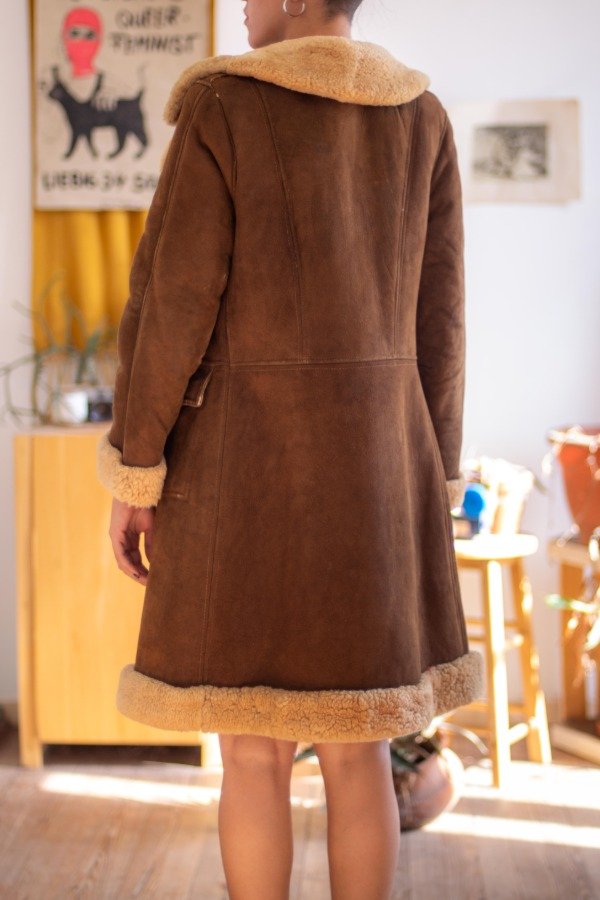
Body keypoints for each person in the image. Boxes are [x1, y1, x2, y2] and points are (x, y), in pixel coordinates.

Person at [96, 1, 484, 897]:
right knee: (362, 747)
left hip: (247, 476)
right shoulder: (421, 117)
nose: (242, 3)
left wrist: (135, 470)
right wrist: (433, 476)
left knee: (253, 751)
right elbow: (444, 321)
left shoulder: (225, 106)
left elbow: (170, 306)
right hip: (381, 478)